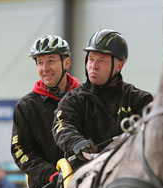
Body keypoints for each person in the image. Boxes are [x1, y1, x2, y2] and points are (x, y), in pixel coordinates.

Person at [52, 29, 153, 168]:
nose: (94, 66)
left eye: (102, 60)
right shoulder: (73, 100)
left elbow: (156, 130)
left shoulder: (139, 99)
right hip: (84, 171)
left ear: (119, 66)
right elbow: (62, 126)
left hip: (129, 169)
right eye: (91, 59)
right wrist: (77, 143)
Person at [10, 35, 80, 188]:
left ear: (67, 63)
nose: (44, 68)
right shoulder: (26, 106)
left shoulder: (84, 99)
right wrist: (50, 174)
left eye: (51, 61)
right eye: (40, 62)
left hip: (82, 187)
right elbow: (20, 150)